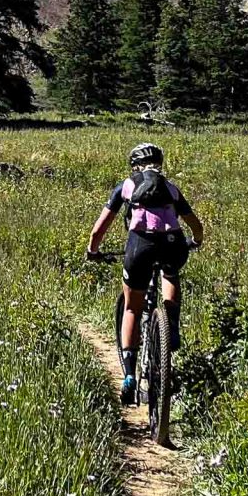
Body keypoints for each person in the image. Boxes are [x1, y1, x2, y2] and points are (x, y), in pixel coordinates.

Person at [85, 143, 205, 405]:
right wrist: (194, 241)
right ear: (160, 163)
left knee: (131, 308)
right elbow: (196, 225)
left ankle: (128, 376)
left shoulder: (126, 186)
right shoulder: (171, 188)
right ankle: (171, 325)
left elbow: (98, 231)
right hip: (172, 243)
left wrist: (93, 251)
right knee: (170, 275)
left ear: (134, 165)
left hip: (140, 246)